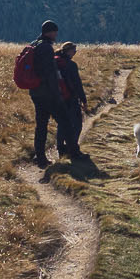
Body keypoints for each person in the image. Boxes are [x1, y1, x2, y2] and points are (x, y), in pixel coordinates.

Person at [26, 20, 66, 168]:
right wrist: (58, 94)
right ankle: (68, 153)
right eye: (55, 31)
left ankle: (40, 157)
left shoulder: (34, 44)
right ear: (49, 32)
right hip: (47, 93)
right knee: (65, 121)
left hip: (35, 91)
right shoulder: (46, 48)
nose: (56, 34)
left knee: (41, 125)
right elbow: (50, 74)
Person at [55, 42, 88, 159]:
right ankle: (72, 148)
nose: (75, 53)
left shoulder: (54, 62)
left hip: (57, 98)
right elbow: (77, 84)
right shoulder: (71, 65)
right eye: (74, 51)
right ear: (68, 51)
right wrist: (83, 100)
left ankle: (60, 148)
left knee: (62, 123)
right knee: (77, 123)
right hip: (70, 98)